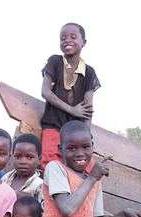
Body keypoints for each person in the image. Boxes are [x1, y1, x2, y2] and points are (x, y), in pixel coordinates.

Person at [40, 23, 100, 171]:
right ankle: (54, 195)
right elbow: (45, 92)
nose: (67, 40)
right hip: (53, 127)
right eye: (63, 38)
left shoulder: (89, 72)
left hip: (77, 133)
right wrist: (72, 110)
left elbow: (88, 108)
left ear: (83, 42)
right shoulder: (55, 62)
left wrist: (86, 136)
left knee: (85, 171)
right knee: (50, 166)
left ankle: (77, 195)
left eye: (73, 37)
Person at [2, 134, 44, 205]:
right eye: (18, 156)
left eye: (29, 157)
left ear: (39, 160)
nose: (23, 162)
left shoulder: (39, 186)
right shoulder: (6, 178)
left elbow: (42, 213)